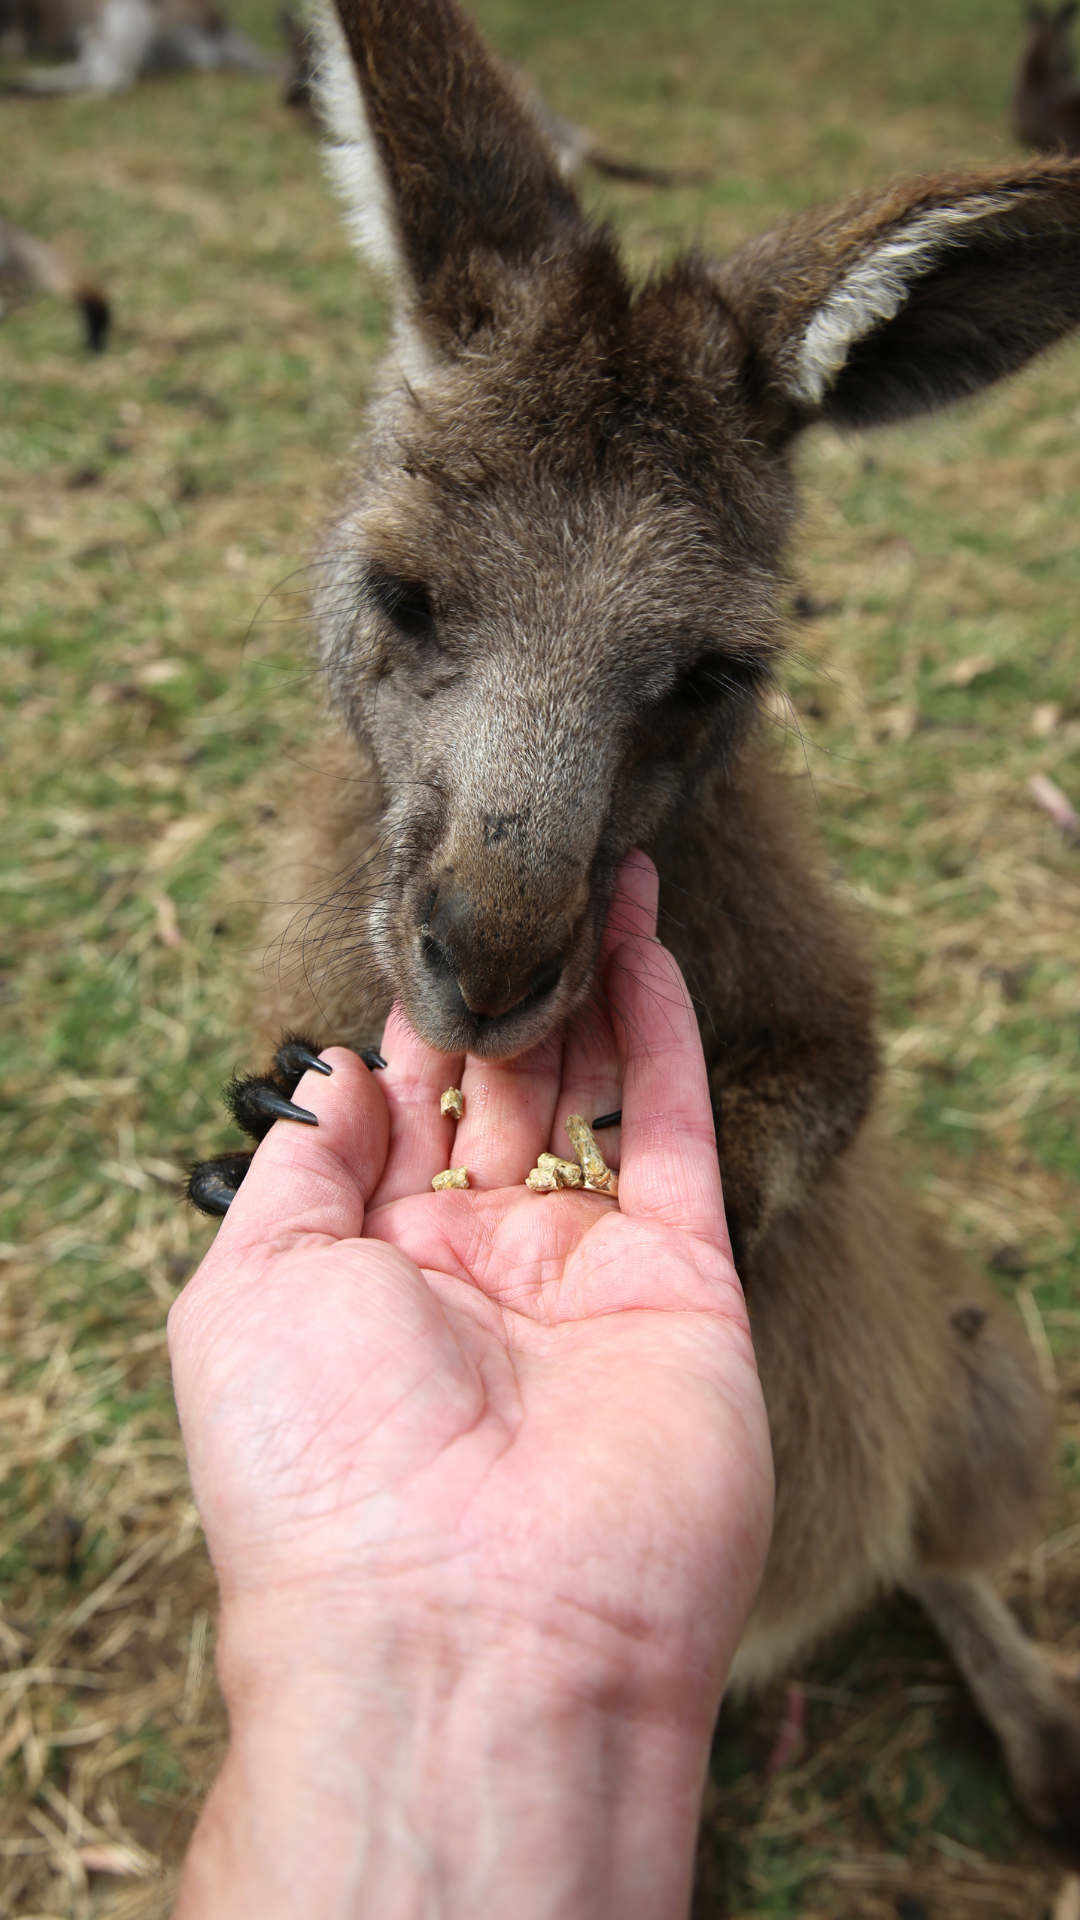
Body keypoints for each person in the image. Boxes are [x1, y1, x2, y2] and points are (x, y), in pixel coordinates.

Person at [167, 853, 774, 1918]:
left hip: (741, 1386)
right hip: (656, 1418)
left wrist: (739, 1167)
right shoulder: (352, 858)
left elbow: (826, 1058)